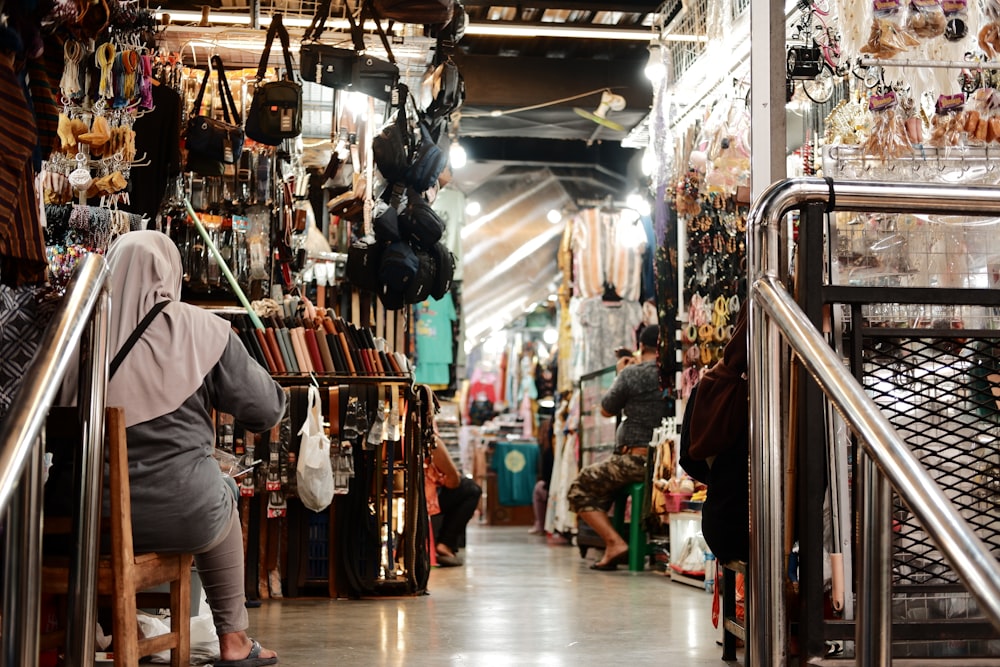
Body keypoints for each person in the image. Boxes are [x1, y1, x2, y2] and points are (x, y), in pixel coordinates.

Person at [105, 231, 284, 666]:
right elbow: (264, 409)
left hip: (87, 518)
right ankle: (234, 640)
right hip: (179, 514)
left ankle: (104, 628)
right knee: (219, 492)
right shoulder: (201, 329)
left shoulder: (77, 332)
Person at [568, 324, 669, 570]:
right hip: (663, 460)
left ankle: (614, 542)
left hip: (635, 461)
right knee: (603, 487)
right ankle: (620, 543)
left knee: (579, 488)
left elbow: (606, 408)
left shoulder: (632, 373)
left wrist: (620, 373)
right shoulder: (670, 373)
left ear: (640, 346)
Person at [426, 431, 483, 567]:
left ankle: (446, 543)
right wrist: (451, 475)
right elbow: (433, 444)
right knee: (471, 490)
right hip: (426, 495)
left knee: (465, 487)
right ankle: (446, 543)